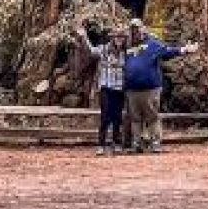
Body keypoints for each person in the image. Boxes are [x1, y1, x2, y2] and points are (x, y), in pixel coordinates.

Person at [123, 19, 199, 153]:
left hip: (150, 88)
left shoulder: (153, 44)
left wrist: (185, 50)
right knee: (135, 118)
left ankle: (155, 142)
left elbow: (168, 51)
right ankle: (137, 143)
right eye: (133, 29)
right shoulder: (127, 45)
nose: (136, 31)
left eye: (138, 28)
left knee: (152, 116)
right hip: (132, 89)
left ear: (143, 29)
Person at [75, 23, 129, 154]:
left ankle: (116, 143)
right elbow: (91, 51)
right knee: (105, 116)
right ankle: (101, 144)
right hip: (106, 87)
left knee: (117, 117)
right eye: (117, 37)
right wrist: (84, 37)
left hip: (120, 89)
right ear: (113, 38)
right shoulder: (104, 49)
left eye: (121, 37)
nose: (119, 39)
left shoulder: (126, 52)